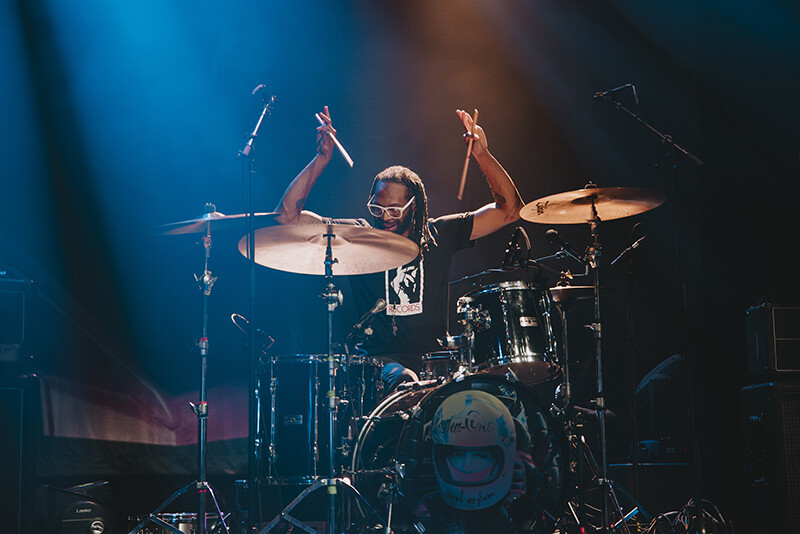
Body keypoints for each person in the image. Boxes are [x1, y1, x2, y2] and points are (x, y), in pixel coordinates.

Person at [274, 106, 524, 392]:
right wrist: (321, 158)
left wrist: (482, 154)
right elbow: (287, 217)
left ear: (413, 206)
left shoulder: (437, 234)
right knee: (405, 380)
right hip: (380, 363)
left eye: (394, 209)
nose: (385, 217)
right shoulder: (359, 235)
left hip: (437, 360)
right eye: (377, 209)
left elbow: (509, 210)